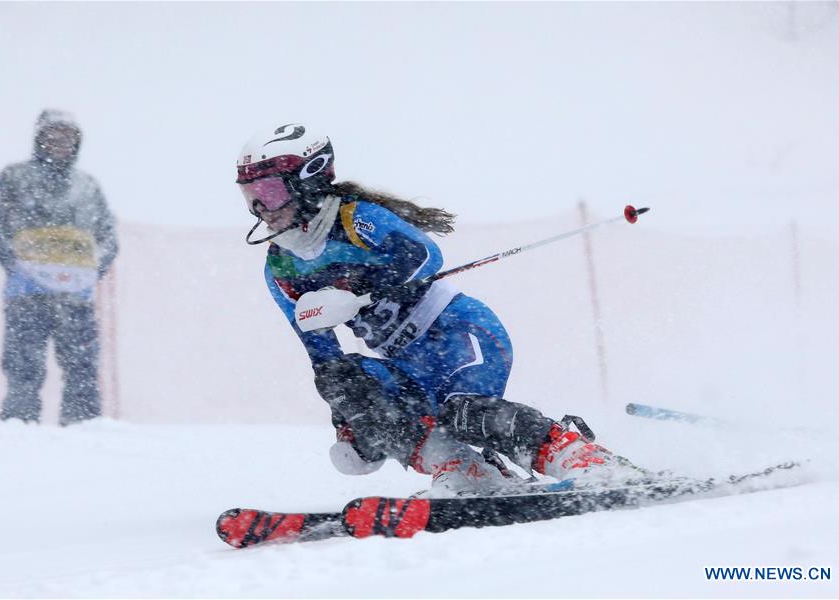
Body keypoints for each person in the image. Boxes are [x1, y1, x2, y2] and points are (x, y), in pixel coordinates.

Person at [236, 124, 632, 495]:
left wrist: (356, 293)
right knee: (343, 380)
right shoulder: (280, 267)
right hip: (408, 365)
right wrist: (353, 420)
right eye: (250, 195)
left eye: (269, 192)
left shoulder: (354, 218)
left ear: (309, 179)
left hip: (458, 335)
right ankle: (466, 469)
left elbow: (425, 255)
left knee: (464, 413)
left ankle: (581, 457)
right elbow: (323, 357)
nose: (261, 208)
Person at [0, 109, 118, 426]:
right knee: (23, 366)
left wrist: (92, 269)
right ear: (39, 138)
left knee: (82, 367)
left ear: (77, 142)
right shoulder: (14, 178)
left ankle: (84, 428)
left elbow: (108, 238)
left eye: (67, 136)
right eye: (52, 135)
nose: (59, 142)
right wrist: (17, 264)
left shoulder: (87, 187)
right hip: (26, 296)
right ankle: (19, 426)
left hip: (76, 298)